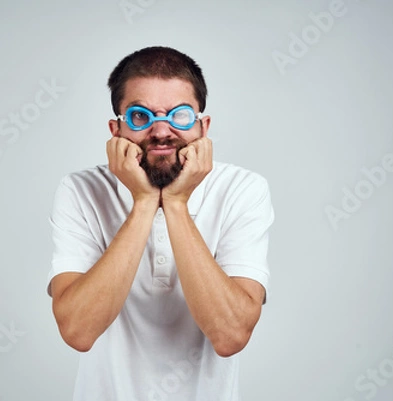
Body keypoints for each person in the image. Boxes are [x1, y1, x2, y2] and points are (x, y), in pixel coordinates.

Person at [47, 46, 274, 401]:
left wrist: (177, 204)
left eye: (180, 115)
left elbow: (231, 336)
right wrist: (142, 203)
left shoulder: (243, 190)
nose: (162, 131)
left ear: (203, 126)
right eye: (141, 117)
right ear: (116, 130)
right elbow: (78, 331)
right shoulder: (81, 191)